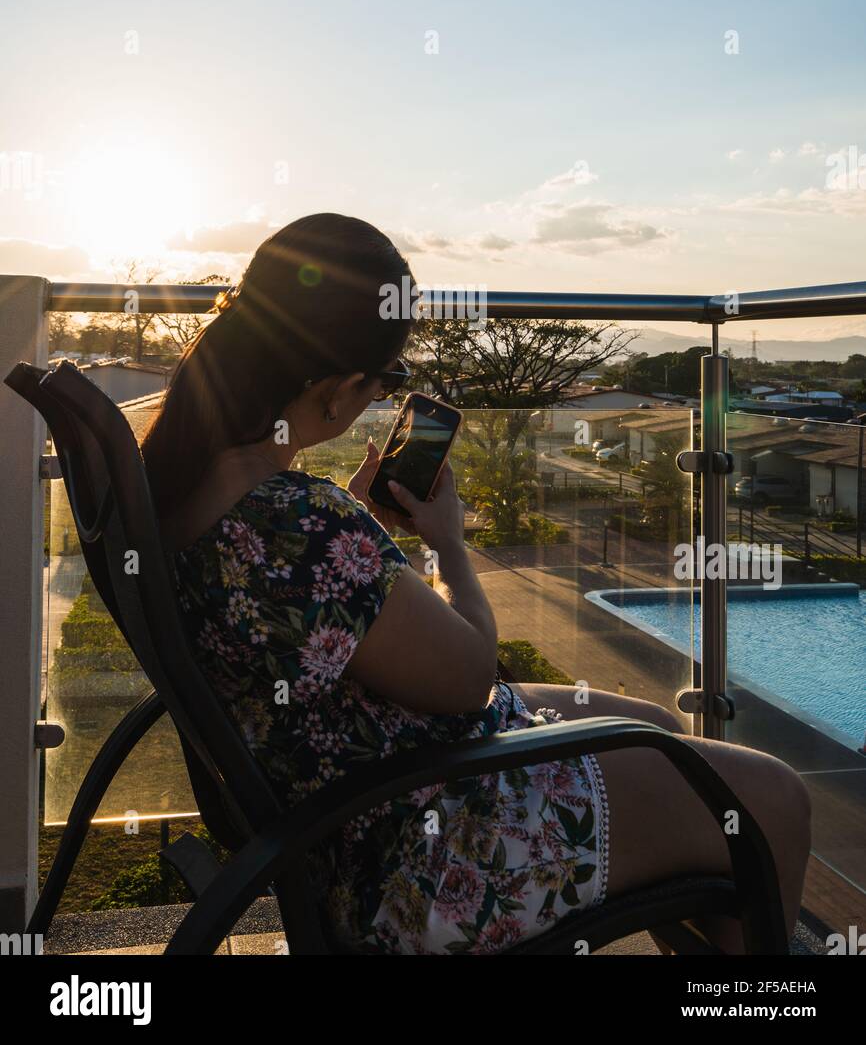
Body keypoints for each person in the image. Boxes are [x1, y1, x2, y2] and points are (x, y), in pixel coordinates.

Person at [142, 213, 811, 954]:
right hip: (413, 846)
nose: (378, 400)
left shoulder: (186, 483)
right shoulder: (297, 520)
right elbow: (472, 679)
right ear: (333, 390)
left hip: (347, 799)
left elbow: (298, 610)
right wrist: (448, 545)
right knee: (774, 797)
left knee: (654, 728)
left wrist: (361, 547)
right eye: (382, 382)